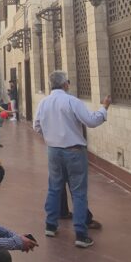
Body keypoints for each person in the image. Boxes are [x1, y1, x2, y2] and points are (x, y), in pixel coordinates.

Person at [34, 70, 110, 248]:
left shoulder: (44, 102)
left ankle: (51, 225)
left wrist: (51, 137)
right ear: (65, 84)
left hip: (53, 151)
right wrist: (104, 108)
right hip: (74, 151)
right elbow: (91, 121)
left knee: (54, 188)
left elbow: (36, 126)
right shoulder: (71, 101)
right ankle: (81, 234)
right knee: (78, 192)